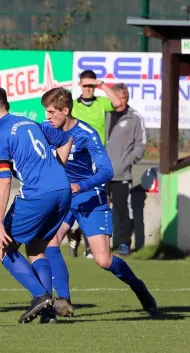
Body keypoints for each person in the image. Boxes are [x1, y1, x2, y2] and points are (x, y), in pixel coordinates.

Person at [40, 87, 157, 320]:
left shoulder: (87, 134)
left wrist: (80, 186)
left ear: (66, 110)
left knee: (103, 260)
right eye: (46, 111)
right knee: (49, 242)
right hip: (64, 199)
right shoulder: (46, 129)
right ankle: (63, 300)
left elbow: (107, 171)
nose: (47, 117)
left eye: (52, 112)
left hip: (90, 198)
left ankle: (139, 288)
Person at [0, 86, 74, 324]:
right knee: (35, 248)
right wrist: (56, 171)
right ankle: (48, 312)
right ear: (7, 105)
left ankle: (40, 296)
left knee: (2, 247)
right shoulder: (31, 123)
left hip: (37, 194)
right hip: (63, 190)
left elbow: (3, 180)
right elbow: (65, 138)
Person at [69, 70, 122, 259]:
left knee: (98, 199)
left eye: (91, 86)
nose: (88, 89)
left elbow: (118, 103)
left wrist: (101, 84)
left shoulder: (100, 102)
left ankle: (85, 239)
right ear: (80, 86)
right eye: (85, 85)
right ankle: (82, 238)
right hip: (79, 162)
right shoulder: (73, 105)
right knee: (77, 198)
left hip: (97, 161)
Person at [105, 83, 147, 256]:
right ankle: (99, 245)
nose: (122, 101)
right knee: (100, 209)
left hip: (122, 173)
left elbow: (141, 144)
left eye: (125, 98)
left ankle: (124, 244)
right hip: (100, 173)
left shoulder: (134, 117)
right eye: (119, 97)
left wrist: (127, 161)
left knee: (123, 210)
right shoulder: (104, 114)